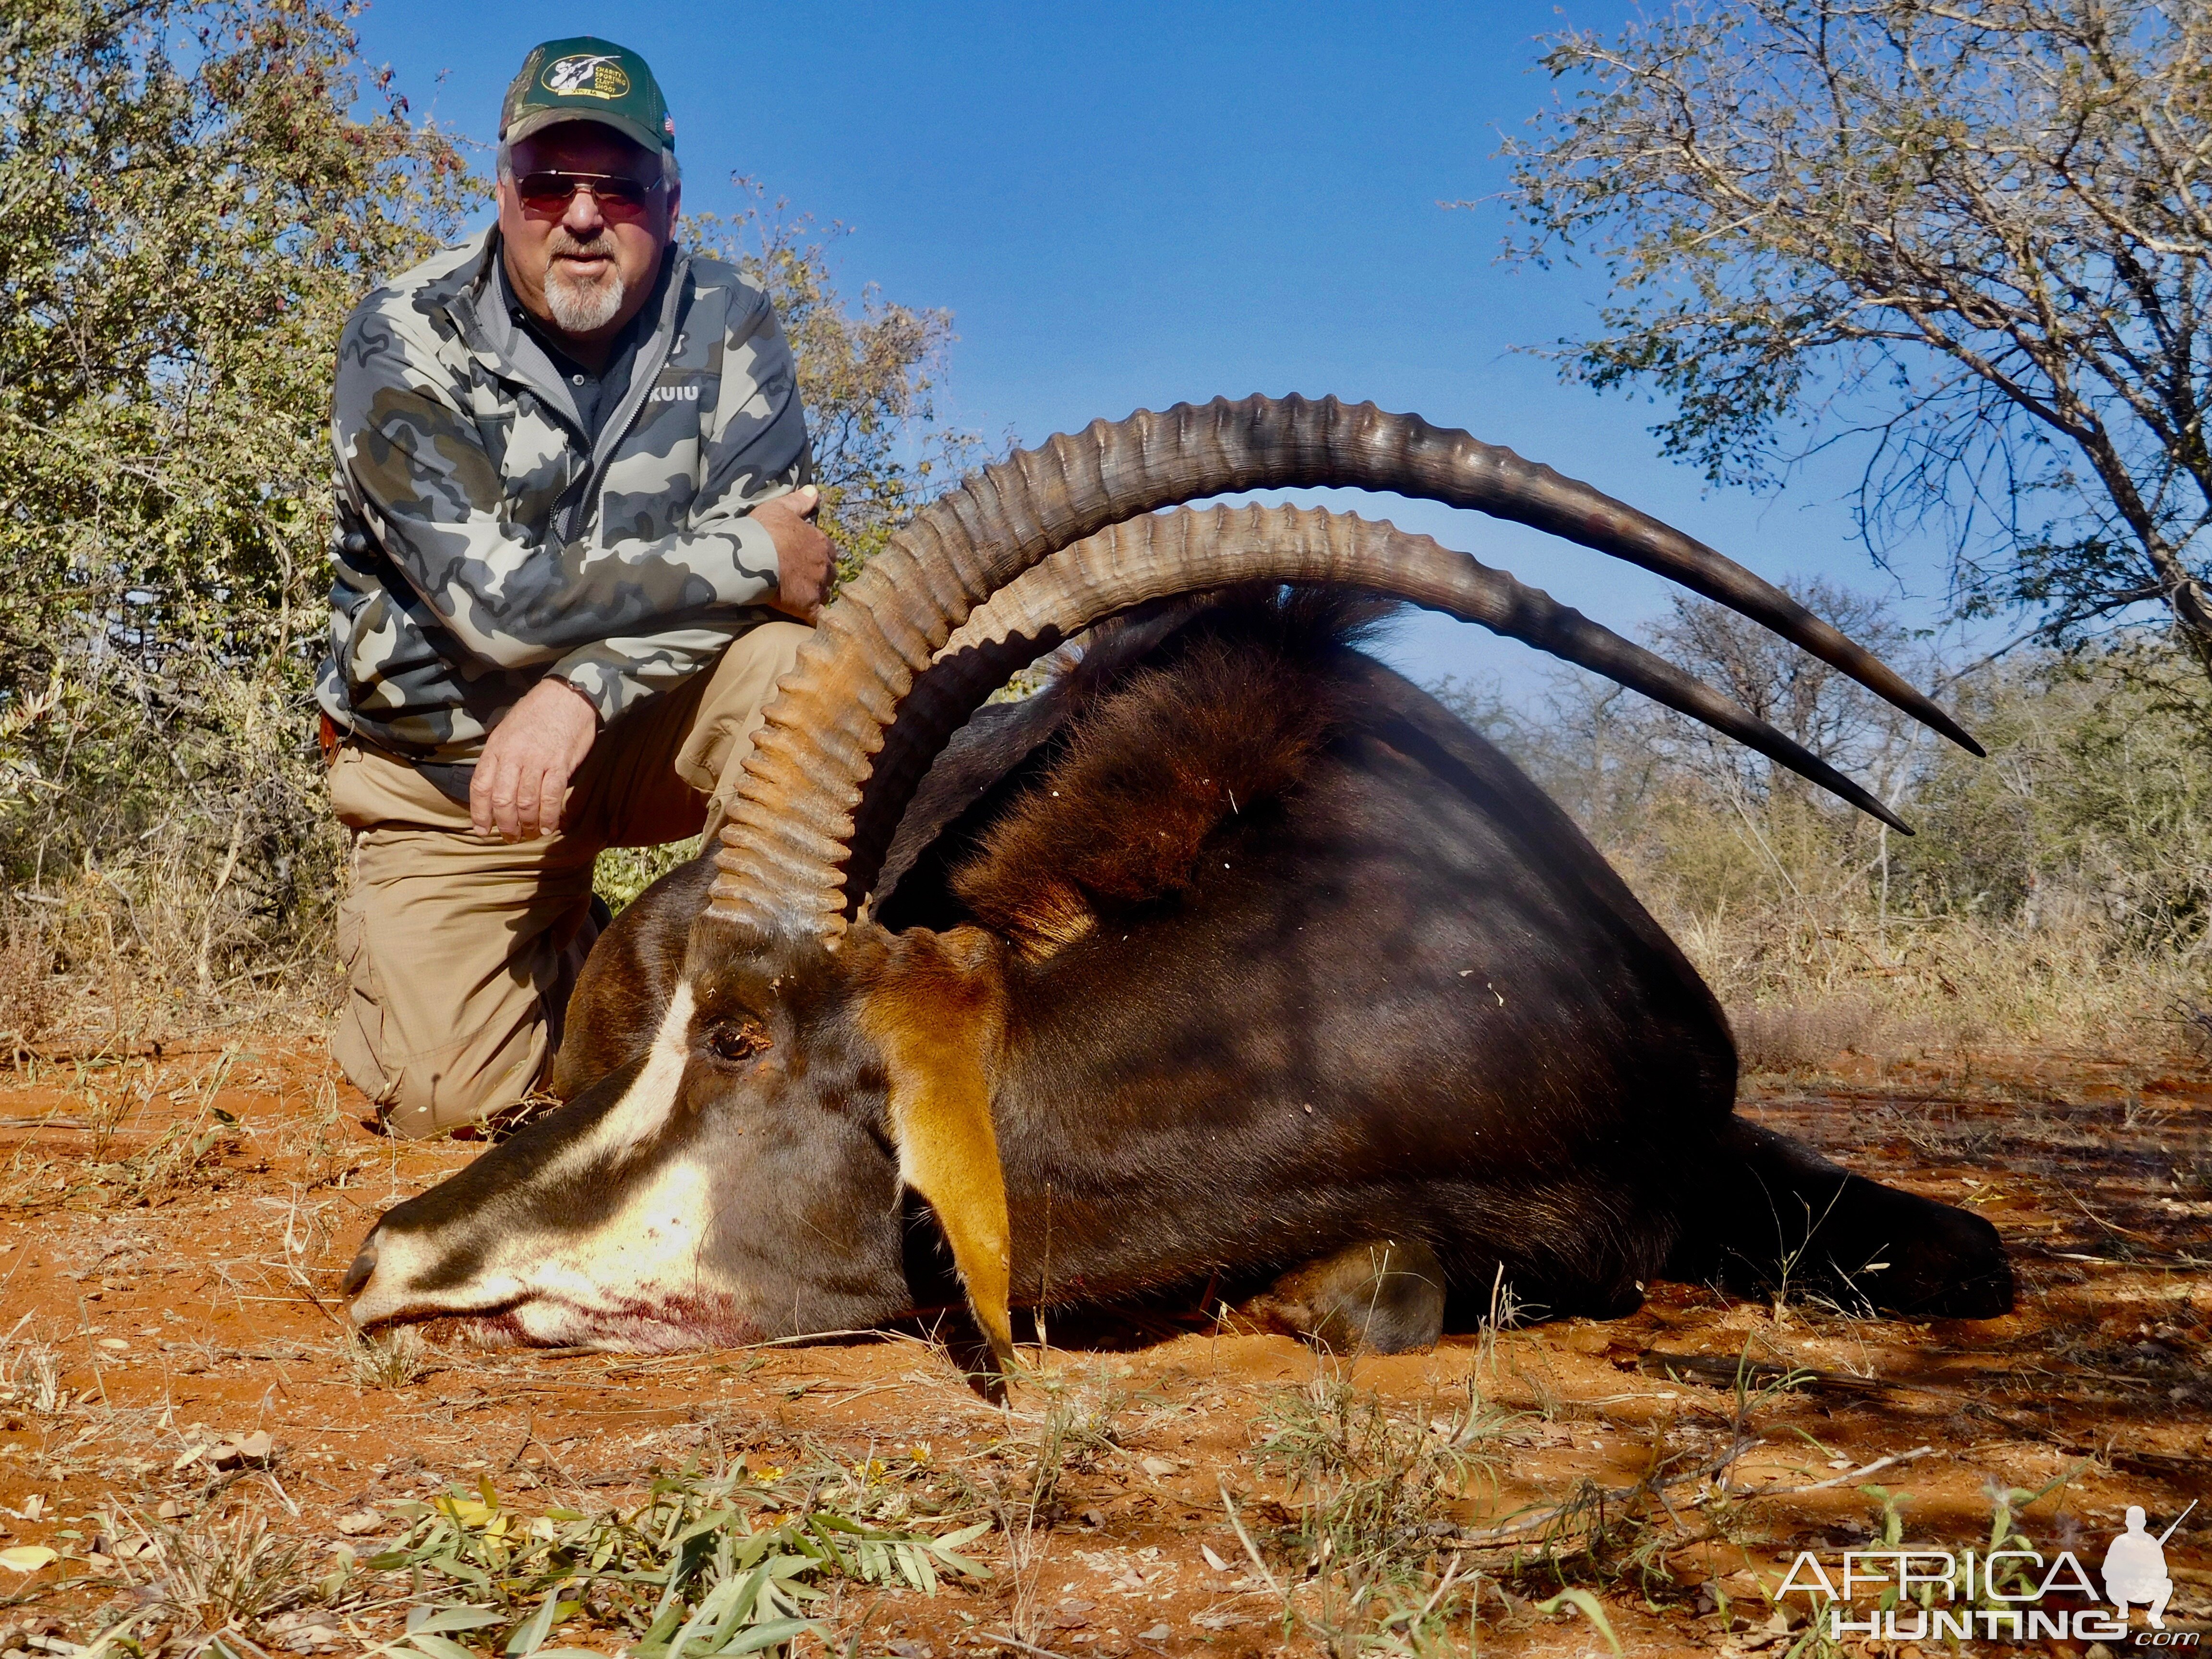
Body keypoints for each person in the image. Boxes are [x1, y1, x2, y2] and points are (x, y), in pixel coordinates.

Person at [316, 36, 833, 1137]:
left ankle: (779, 1053)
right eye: (551, 182)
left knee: (799, 677)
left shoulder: (733, 324)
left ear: (671, 201)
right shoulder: (402, 333)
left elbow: (787, 605)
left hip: (629, 736)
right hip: (447, 776)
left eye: (621, 186)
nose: (584, 215)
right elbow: (495, 606)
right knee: (443, 1105)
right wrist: (745, 551)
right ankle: (574, 949)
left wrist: (585, 689)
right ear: (502, 190)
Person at [2102, 1505, 2173, 1628]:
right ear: (2127, 1523)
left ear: (2144, 1523)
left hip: (2144, 1589)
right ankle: (2123, 1608)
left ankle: (2155, 1615)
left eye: (2138, 1522)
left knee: (2167, 1584)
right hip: (2121, 1590)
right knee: (2112, 1584)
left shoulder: (2152, 1543)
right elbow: (2107, 1571)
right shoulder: (2120, 1542)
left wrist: (2148, 1569)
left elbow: (2163, 1572)